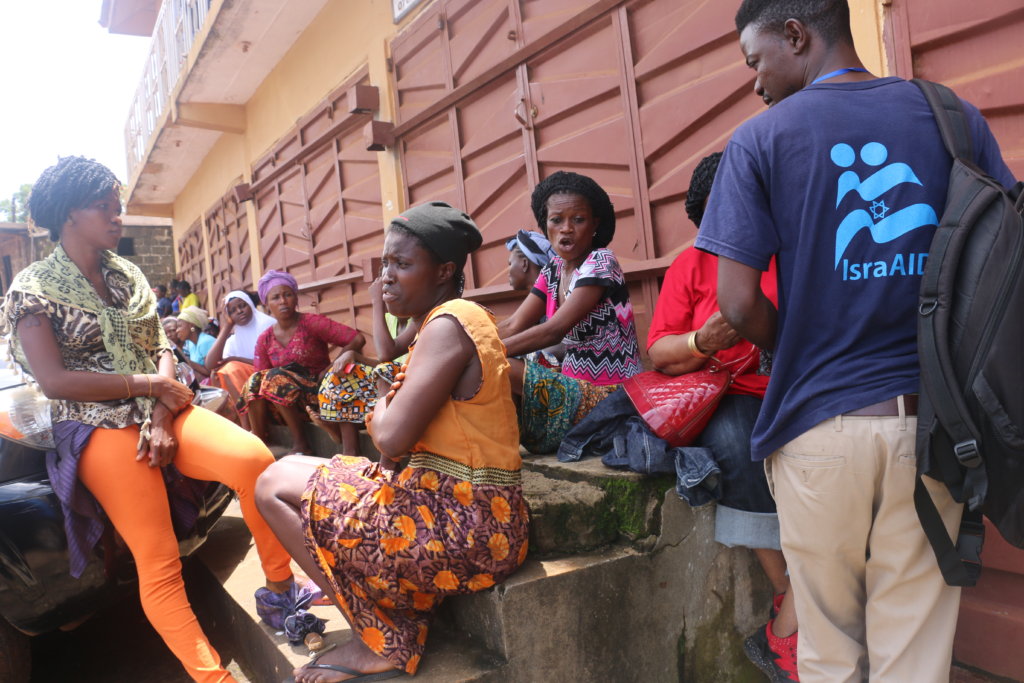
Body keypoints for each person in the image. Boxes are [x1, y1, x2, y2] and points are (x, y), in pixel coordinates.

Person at [696, 2, 1016, 681]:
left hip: (818, 431)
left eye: (755, 61)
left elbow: (735, 301)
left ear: (796, 34)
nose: (754, 82)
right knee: (914, 652)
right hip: (938, 430)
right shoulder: (951, 116)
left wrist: (796, 342)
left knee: (831, 650)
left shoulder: (759, 142)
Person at [1, 156, 298, 683]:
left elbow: (159, 345)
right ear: (69, 215)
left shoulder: (128, 275)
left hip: (160, 408)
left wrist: (161, 410)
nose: (117, 218)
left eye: (119, 208)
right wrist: (148, 387)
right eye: (104, 208)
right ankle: (214, 677)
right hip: (94, 422)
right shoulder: (34, 288)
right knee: (157, 557)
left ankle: (279, 591)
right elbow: (55, 381)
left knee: (255, 461)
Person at [256, 201, 529, 683]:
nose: (387, 276)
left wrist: (380, 401)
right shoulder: (438, 322)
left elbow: (392, 435)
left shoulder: (450, 323)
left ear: (444, 271)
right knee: (276, 477)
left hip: (468, 526)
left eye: (401, 264)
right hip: (456, 506)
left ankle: (380, 634)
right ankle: (384, 616)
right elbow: (391, 444)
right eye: (386, 263)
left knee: (273, 489)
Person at [647, 152, 797, 680]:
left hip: (795, 387)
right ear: (702, 215)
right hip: (728, 390)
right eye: (719, 210)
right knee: (739, 446)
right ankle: (786, 593)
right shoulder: (691, 265)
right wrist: (701, 340)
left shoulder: (790, 251)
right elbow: (660, 352)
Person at [501, 171, 641, 385]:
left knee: (498, 366)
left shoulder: (601, 261)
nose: (566, 228)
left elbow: (553, 331)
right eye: (556, 220)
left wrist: (488, 352)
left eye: (578, 220)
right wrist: (472, 342)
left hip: (612, 391)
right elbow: (513, 324)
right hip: (574, 386)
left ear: (594, 225)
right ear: (545, 225)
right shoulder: (553, 269)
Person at [239, 270, 365, 455]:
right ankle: (260, 442)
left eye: (287, 295)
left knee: (274, 378)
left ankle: (301, 443)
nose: (283, 301)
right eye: (276, 297)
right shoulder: (265, 339)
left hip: (320, 391)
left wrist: (332, 368)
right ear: (266, 304)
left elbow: (356, 339)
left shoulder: (311, 323)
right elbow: (261, 379)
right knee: (255, 381)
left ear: (295, 298)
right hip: (288, 405)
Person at [312, 276, 411, 457]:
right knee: (340, 375)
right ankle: (351, 452)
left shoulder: (420, 319)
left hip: (414, 384)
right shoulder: (390, 319)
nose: (387, 295)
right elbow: (385, 362)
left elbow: (388, 359)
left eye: (389, 289)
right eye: (384, 291)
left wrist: (376, 305)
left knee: (384, 373)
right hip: (389, 381)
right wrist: (354, 356)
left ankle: (388, 459)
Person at [204, 290, 275, 426]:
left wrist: (236, 359)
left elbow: (272, 363)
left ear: (250, 304)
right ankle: (238, 421)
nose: (239, 311)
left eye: (243, 306)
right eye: (232, 311)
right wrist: (227, 326)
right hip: (248, 380)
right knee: (217, 373)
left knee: (231, 369)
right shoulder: (233, 339)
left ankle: (247, 424)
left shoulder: (268, 325)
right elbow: (210, 364)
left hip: (270, 376)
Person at [176, 305, 216, 380]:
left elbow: (210, 371)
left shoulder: (205, 342)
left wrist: (187, 361)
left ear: (191, 325)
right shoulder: (190, 344)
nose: (177, 330)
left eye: (180, 326)